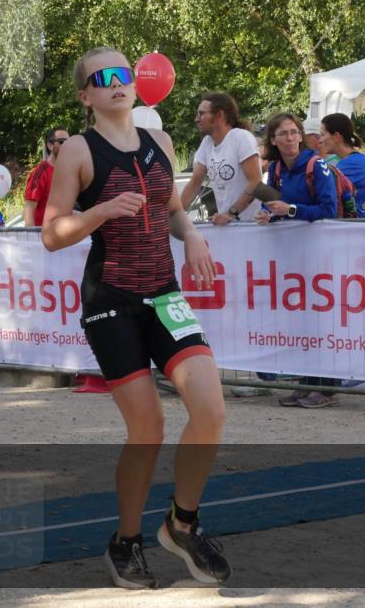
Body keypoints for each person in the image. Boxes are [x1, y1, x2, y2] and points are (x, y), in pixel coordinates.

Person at [42, 47, 230, 589]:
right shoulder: (78, 149)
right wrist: (98, 211)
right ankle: (125, 541)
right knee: (148, 429)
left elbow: (171, 209)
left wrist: (192, 235)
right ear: (86, 95)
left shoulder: (161, 142)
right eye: (102, 79)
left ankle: (181, 524)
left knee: (211, 410)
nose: (115, 83)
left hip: (164, 293)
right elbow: (52, 234)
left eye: (122, 74)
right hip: (111, 299)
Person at [255, 114, 340, 408]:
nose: (290, 138)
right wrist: (270, 214)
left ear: (301, 136)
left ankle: (326, 387)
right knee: (300, 321)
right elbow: (273, 202)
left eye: (294, 132)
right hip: (292, 257)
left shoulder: (318, 165)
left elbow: (328, 209)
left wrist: (289, 210)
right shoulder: (276, 169)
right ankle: (306, 382)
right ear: (274, 140)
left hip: (321, 254)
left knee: (322, 320)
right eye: (284, 134)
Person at [179, 92, 262, 224]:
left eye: (201, 114)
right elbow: (195, 183)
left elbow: (256, 182)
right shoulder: (207, 142)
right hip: (228, 225)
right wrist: (173, 214)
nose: (196, 119)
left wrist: (230, 214)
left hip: (250, 226)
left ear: (219, 115)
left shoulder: (241, 137)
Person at [319, 113, 365, 218]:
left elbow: (320, 189)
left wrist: (319, 157)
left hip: (354, 229)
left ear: (336, 136)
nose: (320, 140)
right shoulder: (356, 159)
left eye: (322, 135)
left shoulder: (353, 163)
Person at [23, 126, 70, 227]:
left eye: (69, 142)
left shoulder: (68, 171)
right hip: (43, 237)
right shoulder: (41, 171)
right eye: (61, 141)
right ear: (50, 145)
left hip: (63, 236)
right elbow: (29, 209)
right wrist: (34, 239)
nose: (66, 145)